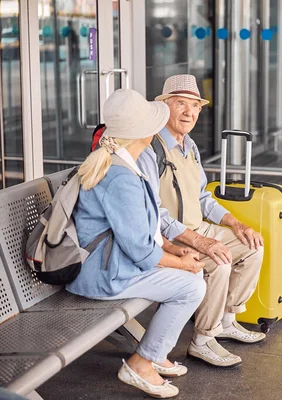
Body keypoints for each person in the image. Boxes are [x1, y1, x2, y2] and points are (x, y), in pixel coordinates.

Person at [67, 88, 206, 398]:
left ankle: (154, 352)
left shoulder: (132, 159)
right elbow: (141, 251)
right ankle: (141, 364)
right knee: (191, 285)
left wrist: (172, 248)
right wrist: (182, 262)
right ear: (142, 131)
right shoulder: (120, 176)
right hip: (102, 274)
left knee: (191, 277)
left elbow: (146, 223)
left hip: (111, 261)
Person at [137, 74, 265, 369]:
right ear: (164, 106)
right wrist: (198, 240)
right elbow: (153, 211)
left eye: (194, 106)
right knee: (218, 261)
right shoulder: (150, 148)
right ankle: (203, 340)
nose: (189, 112)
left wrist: (236, 224)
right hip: (173, 236)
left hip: (199, 228)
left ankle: (227, 320)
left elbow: (203, 198)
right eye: (181, 104)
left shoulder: (190, 146)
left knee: (252, 245)